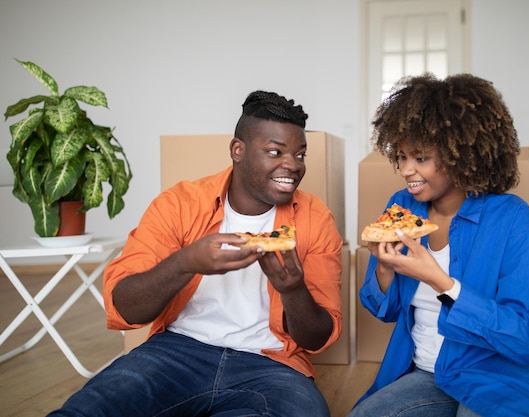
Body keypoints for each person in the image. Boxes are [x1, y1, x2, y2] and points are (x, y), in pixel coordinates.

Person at [48, 90, 343, 417]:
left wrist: (292, 288)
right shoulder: (178, 204)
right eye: (275, 152)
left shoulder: (315, 219)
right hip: (174, 353)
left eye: (300, 155)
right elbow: (125, 307)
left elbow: (318, 337)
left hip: (272, 365)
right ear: (238, 150)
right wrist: (186, 262)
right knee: (92, 408)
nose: (292, 165)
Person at [348, 74, 529, 417]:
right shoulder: (401, 207)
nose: (407, 171)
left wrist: (442, 283)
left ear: (460, 155)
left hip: (500, 378)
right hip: (428, 375)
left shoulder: (513, 220)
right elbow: (384, 310)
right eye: (402, 156)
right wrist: (384, 265)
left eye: (420, 158)